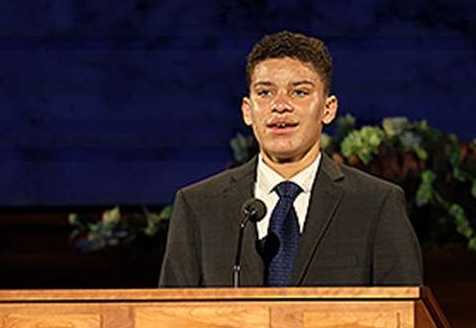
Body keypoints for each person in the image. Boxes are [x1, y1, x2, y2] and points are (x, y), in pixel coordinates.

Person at [159, 31, 423, 287]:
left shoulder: (375, 204)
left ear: (328, 109)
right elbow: (169, 321)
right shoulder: (199, 206)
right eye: (265, 93)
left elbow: (406, 318)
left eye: (299, 92)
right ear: (247, 110)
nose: (280, 105)